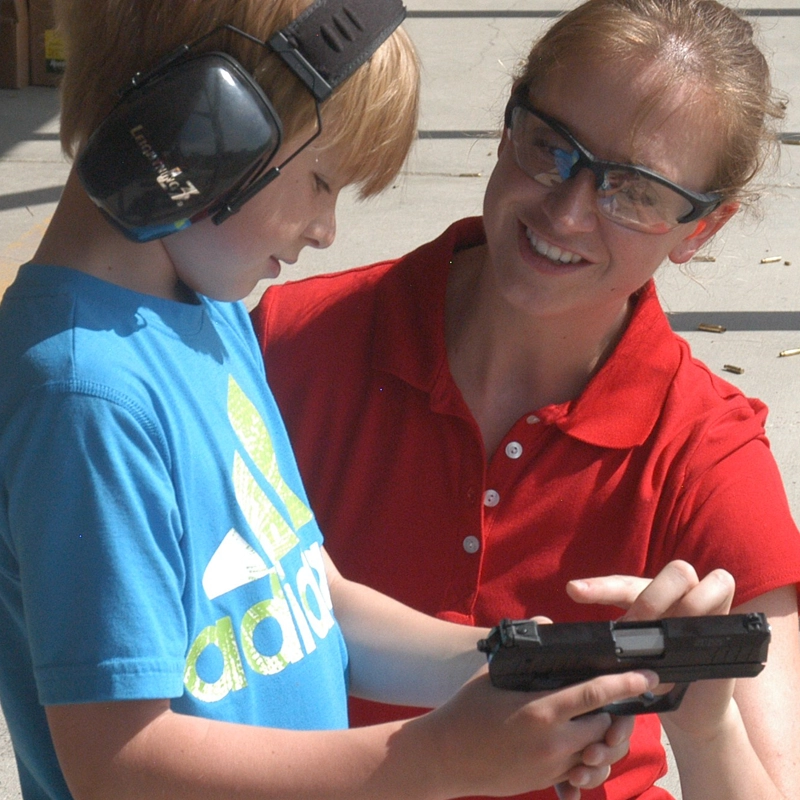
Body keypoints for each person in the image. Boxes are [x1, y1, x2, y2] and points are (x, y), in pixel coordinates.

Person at [0, 1, 683, 798]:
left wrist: (537, 666)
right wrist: (433, 759)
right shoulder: (85, 395)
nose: (325, 230)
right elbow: (116, 765)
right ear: (196, 130)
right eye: (322, 181)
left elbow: (318, 603)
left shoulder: (209, 316)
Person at [253, 0, 800, 798]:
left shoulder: (702, 449)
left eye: (636, 192)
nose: (569, 209)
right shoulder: (290, 346)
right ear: (508, 121)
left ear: (701, 229)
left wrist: (705, 722)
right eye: (552, 147)